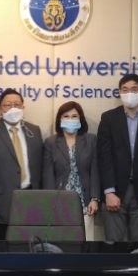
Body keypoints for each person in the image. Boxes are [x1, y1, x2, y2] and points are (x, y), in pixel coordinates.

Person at [97, 74, 138, 243]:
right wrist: (109, 191)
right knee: (113, 245)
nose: (129, 93)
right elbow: (104, 157)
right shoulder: (108, 118)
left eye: (134, 89)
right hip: (115, 192)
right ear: (119, 92)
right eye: (125, 90)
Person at [0, 88, 44, 240]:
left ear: (23, 107)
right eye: (7, 105)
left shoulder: (34, 130)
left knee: (31, 244)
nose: (13, 108)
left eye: (17, 104)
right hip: (3, 201)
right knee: (2, 246)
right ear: (0, 109)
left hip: (31, 197)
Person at [43, 101, 100, 241]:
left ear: (80, 118)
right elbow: (48, 175)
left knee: (86, 242)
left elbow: (95, 171)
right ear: (60, 119)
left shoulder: (91, 140)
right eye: (66, 116)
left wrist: (94, 199)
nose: (70, 119)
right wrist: (50, 201)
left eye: (74, 116)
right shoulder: (51, 142)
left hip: (84, 201)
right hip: (59, 201)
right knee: (61, 242)